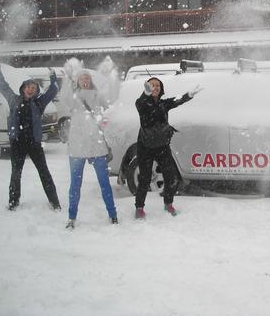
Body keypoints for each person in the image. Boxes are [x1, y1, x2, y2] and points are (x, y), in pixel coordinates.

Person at [0, 60, 61, 211]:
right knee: (16, 174)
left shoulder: (39, 103)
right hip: (17, 143)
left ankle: (55, 202)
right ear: (23, 89)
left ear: (36, 91)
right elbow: (3, 86)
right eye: (29, 87)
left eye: (34, 88)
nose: (31, 89)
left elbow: (53, 90)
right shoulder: (14, 100)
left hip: (34, 144)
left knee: (44, 173)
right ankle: (13, 202)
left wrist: (53, 76)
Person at [61, 58, 120, 229]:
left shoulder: (98, 96)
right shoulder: (74, 98)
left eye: (87, 78)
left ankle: (112, 213)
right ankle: (72, 217)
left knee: (104, 183)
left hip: (96, 145)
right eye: (82, 78)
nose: (85, 81)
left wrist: (112, 77)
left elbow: (111, 100)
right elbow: (64, 97)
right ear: (78, 81)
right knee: (75, 185)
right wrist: (66, 77)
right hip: (78, 146)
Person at [134, 77, 201, 219]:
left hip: (162, 146)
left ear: (161, 88)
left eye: (158, 85)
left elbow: (177, 101)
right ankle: (139, 208)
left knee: (172, 177)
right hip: (145, 146)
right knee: (145, 179)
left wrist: (189, 95)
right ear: (147, 87)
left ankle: (168, 203)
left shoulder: (163, 104)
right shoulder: (142, 103)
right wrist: (145, 94)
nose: (155, 87)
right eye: (152, 85)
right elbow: (140, 103)